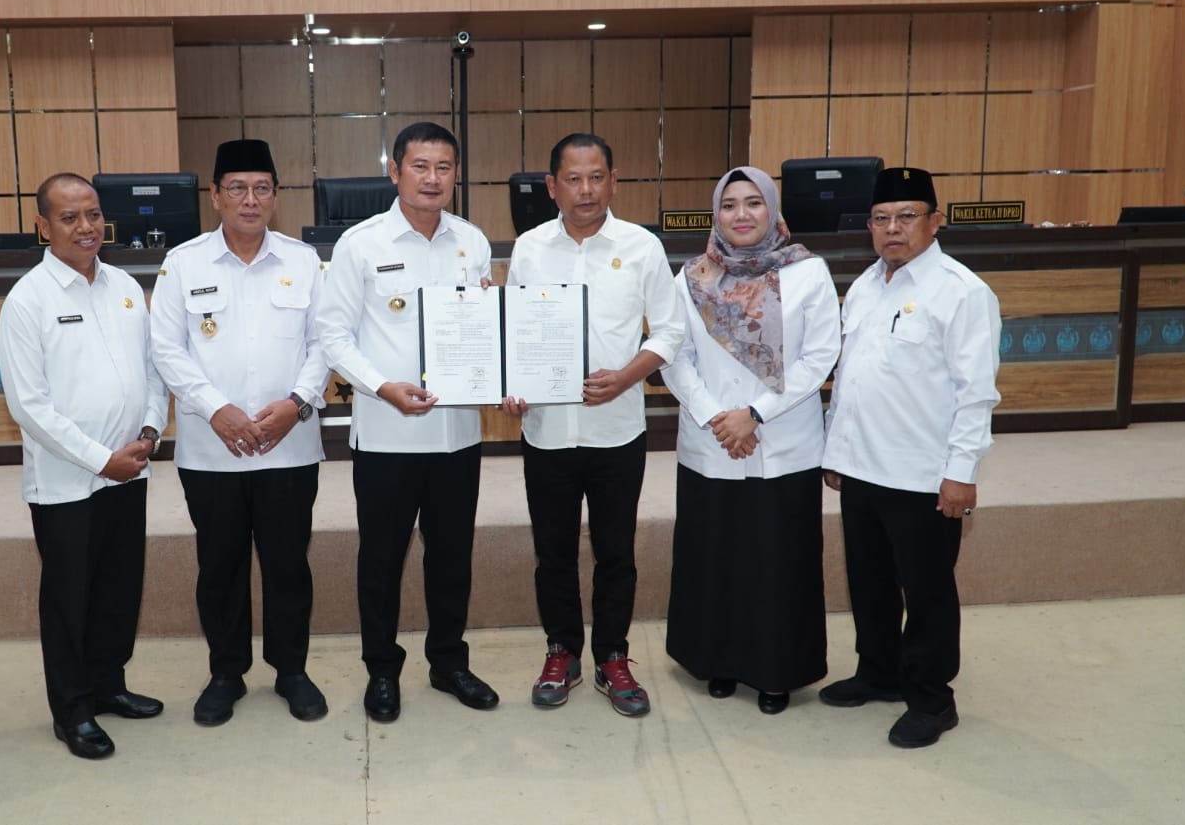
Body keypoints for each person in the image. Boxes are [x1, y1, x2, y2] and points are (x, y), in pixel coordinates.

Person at [317, 121, 500, 723]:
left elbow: (486, 328)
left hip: (456, 435)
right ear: (395, 172)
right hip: (385, 436)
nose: (432, 178)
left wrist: (503, 370)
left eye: (444, 167)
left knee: (452, 556)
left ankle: (448, 662)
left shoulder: (472, 242)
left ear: (455, 175)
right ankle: (382, 669)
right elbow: (333, 335)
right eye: (420, 166)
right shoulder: (361, 244)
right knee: (381, 559)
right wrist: (382, 387)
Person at [502, 133, 684, 717]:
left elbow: (670, 331)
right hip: (548, 432)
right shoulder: (529, 248)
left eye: (597, 177)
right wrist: (511, 384)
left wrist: (627, 376)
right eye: (573, 179)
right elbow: (514, 331)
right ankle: (562, 651)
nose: (586, 190)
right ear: (551, 186)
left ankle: (612, 655)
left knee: (616, 553)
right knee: (553, 553)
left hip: (617, 431)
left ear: (614, 181)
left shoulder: (642, 247)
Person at [820, 166, 1002, 749]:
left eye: (906, 216)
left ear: (935, 221)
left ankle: (931, 699)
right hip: (862, 466)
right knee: (869, 581)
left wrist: (961, 474)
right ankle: (878, 673)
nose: (893, 228)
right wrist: (835, 449)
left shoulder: (962, 292)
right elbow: (850, 375)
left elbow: (976, 393)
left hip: (922, 474)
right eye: (881, 218)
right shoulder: (865, 285)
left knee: (926, 592)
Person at [150, 140, 330, 726]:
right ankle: (226, 672)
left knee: (287, 565)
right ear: (215, 196)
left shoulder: (304, 261)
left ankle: (291, 671)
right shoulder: (183, 263)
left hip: (289, 446)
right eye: (237, 188)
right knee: (220, 567)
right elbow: (165, 348)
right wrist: (216, 409)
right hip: (212, 449)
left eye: (261, 188)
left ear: (276, 196)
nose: (250, 199)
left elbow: (324, 343)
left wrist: (297, 403)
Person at [0, 173, 170, 760]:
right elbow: (29, 406)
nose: (86, 227)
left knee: (119, 587)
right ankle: (72, 709)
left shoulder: (124, 286)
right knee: (70, 597)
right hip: (68, 480)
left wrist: (149, 431)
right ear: (43, 226)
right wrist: (101, 460)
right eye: (69, 218)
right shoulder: (28, 300)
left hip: (130, 466)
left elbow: (152, 371)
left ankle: (108, 685)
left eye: (93, 214)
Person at [661, 166, 840, 716]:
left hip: (782, 441)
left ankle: (775, 671)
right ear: (716, 214)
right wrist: (719, 418)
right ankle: (716, 661)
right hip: (712, 441)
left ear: (771, 209)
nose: (741, 214)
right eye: (729, 204)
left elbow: (820, 356)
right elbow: (674, 356)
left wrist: (755, 414)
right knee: (714, 557)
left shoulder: (807, 272)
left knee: (778, 561)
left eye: (753, 203)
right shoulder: (691, 277)